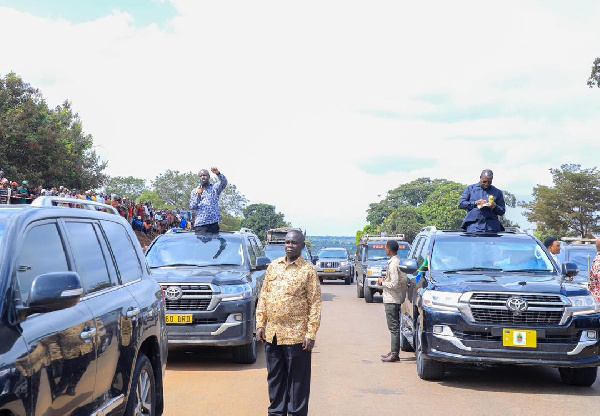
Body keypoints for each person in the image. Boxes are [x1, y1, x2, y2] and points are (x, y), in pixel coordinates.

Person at [256, 230, 322, 416]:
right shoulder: (273, 267)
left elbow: (315, 304)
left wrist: (311, 334)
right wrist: (260, 324)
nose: (290, 245)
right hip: (274, 335)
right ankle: (276, 413)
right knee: (275, 380)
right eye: (287, 242)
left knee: (297, 383)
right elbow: (264, 296)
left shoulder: (308, 270)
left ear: (302, 246)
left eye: (294, 242)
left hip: (297, 337)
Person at [377, 240, 406, 363]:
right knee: (394, 326)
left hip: (392, 298)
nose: (385, 249)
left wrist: (382, 282)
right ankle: (393, 350)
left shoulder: (394, 264)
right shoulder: (397, 261)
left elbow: (394, 284)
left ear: (388, 249)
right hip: (394, 297)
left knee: (393, 327)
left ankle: (395, 354)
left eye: (386, 248)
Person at [189, 167, 227, 233]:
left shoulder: (215, 188)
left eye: (204, 175)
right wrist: (198, 196)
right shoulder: (195, 191)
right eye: (201, 176)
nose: (203, 177)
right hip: (200, 224)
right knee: (199, 243)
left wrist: (218, 174)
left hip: (213, 223)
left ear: (209, 176)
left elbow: (224, 183)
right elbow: (192, 207)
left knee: (214, 243)